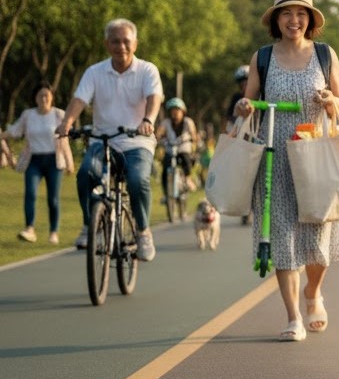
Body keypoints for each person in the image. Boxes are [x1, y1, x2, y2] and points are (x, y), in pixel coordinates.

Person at [234, 0, 339, 341]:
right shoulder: (263, 57)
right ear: (277, 19)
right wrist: (244, 106)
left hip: (315, 153)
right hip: (274, 154)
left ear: (310, 20)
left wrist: (331, 100)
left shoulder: (325, 55)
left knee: (319, 239)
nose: (294, 20)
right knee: (281, 238)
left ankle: (313, 291)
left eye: (301, 14)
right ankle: (293, 316)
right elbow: (248, 100)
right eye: (287, 13)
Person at [57, 18, 163, 261]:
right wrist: (67, 123)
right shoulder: (94, 72)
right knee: (86, 174)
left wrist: (148, 120)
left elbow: (154, 98)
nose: (121, 46)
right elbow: (79, 100)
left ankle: (144, 231)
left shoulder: (147, 70)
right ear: (107, 44)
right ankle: (89, 225)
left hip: (137, 142)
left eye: (126, 41)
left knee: (137, 180)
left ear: (135, 44)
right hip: (102, 140)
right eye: (115, 41)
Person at [2, 84, 73, 244]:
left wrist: (69, 162)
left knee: (53, 198)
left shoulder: (58, 115)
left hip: (54, 160)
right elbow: (15, 130)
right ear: (35, 98)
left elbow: (65, 140)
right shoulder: (28, 115)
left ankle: (53, 232)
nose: (43, 99)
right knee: (30, 194)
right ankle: (29, 229)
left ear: (51, 97)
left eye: (46, 95)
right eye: (40, 95)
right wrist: (2, 136)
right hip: (34, 160)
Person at [156, 97, 198, 201]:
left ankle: (188, 179)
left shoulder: (188, 122)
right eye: (172, 111)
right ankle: (166, 193)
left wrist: (193, 138)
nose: (175, 114)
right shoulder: (166, 122)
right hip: (170, 148)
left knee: (185, 158)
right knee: (165, 168)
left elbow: (193, 134)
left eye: (177, 111)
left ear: (182, 112)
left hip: (183, 147)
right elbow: (159, 132)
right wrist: (157, 136)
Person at [225, 65, 249, 134]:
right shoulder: (236, 97)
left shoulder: (260, 97)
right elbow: (230, 116)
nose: (244, 86)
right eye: (242, 84)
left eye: (247, 83)